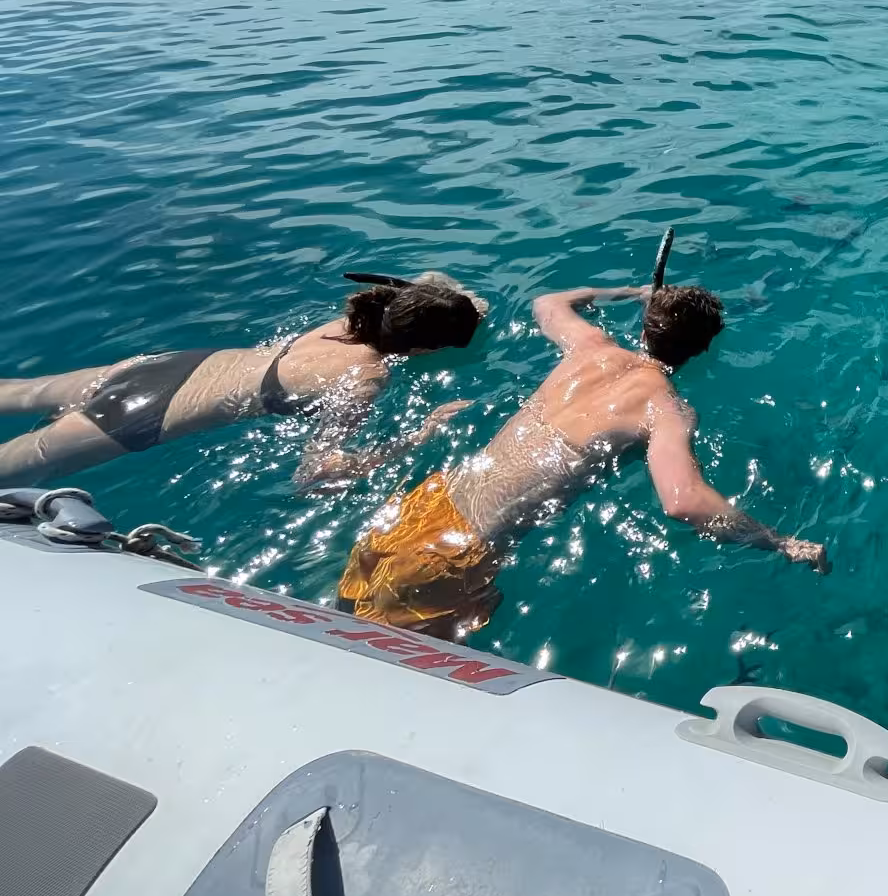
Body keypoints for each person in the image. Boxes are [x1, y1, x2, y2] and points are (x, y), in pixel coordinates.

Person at [325, 281, 826, 638]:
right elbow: (684, 501)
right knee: (403, 677)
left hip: (422, 508)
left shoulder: (588, 349)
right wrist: (780, 542)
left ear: (646, 326)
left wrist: (631, 292)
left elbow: (548, 301)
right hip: (455, 556)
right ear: (704, 348)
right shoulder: (665, 408)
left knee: (338, 633)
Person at [0, 273, 484, 486]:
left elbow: (419, 287)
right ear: (425, 349)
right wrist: (420, 435)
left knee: (13, 393)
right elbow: (317, 474)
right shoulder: (365, 377)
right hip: (145, 416)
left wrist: (452, 303)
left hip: (159, 365)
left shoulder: (353, 322)